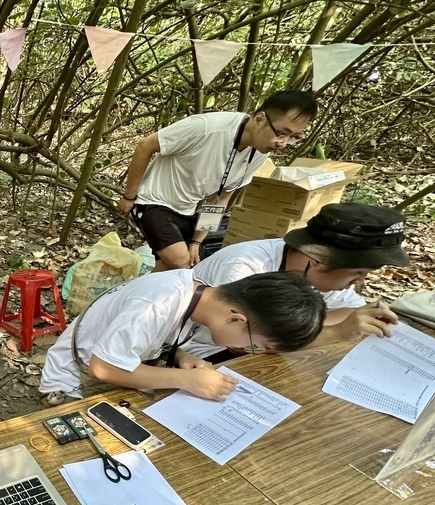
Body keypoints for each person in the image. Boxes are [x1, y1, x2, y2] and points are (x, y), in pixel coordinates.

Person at [38, 270, 326, 404]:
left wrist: (181, 356)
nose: (246, 350)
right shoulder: (159, 303)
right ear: (236, 319)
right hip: (73, 379)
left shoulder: (202, 297)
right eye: (253, 346)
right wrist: (186, 380)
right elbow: (102, 368)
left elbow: (152, 338)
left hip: (119, 369)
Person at [118, 90, 318, 271]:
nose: (283, 143)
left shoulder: (260, 152)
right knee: (179, 261)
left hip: (188, 209)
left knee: (181, 265)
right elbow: (145, 146)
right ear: (259, 119)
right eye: (282, 133)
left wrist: (197, 241)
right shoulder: (208, 128)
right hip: (154, 199)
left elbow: (220, 199)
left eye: (294, 137)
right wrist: (129, 196)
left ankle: (128, 298)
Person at [185, 202, 410, 360]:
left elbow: (352, 312)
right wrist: (337, 332)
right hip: (202, 354)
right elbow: (244, 346)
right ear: (318, 261)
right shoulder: (244, 267)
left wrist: (350, 321)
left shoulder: (321, 276)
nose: (359, 282)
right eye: (358, 272)